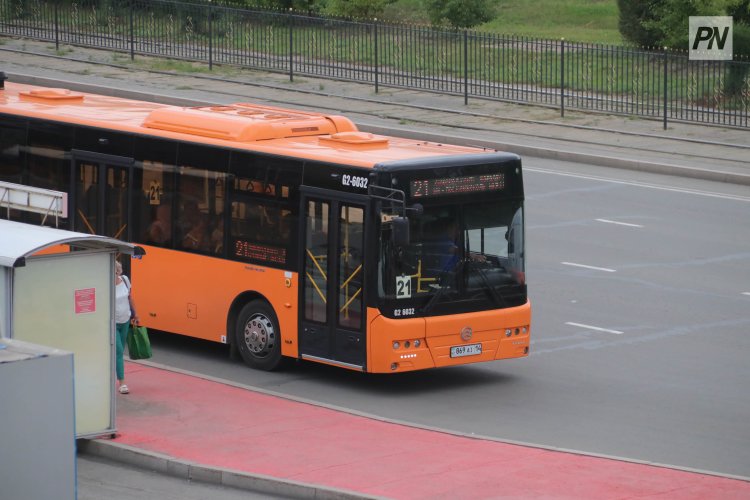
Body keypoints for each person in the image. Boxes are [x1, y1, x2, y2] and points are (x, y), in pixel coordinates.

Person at [114, 260, 139, 395]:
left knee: (119, 352)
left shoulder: (124, 280)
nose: (118, 273)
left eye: (119, 270)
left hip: (125, 320)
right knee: (118, 351)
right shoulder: (105, 284)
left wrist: (135, 314)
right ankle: (122, 383)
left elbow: (130, 298)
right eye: (116, 271)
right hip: (113, 323)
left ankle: (114, 372)